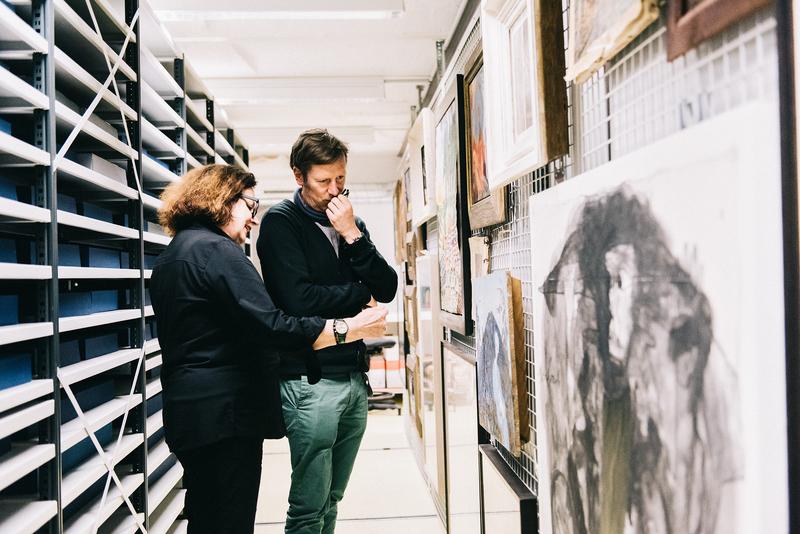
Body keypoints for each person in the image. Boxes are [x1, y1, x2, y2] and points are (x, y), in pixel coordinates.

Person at [149, 164, 387, 534]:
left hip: (191, 415)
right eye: (249, 206)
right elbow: (273, 325)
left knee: (207, 518)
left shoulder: (174, 255)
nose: (253, 220)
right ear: (221, 200)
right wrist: (346, 328)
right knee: (230, 520)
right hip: (225, 417)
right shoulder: (218, 252)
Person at [257, 129, 398, 534]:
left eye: (340, 178)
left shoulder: (351, 222)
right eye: (324, 181)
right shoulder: (281, 223)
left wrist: (352, 234)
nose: (335, 190)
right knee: (308, 504)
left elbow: (386, 286)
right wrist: (358, 295)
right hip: (310, 381)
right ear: (298, 176)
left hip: (353, 376)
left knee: (333, 498)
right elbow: (299, 301)